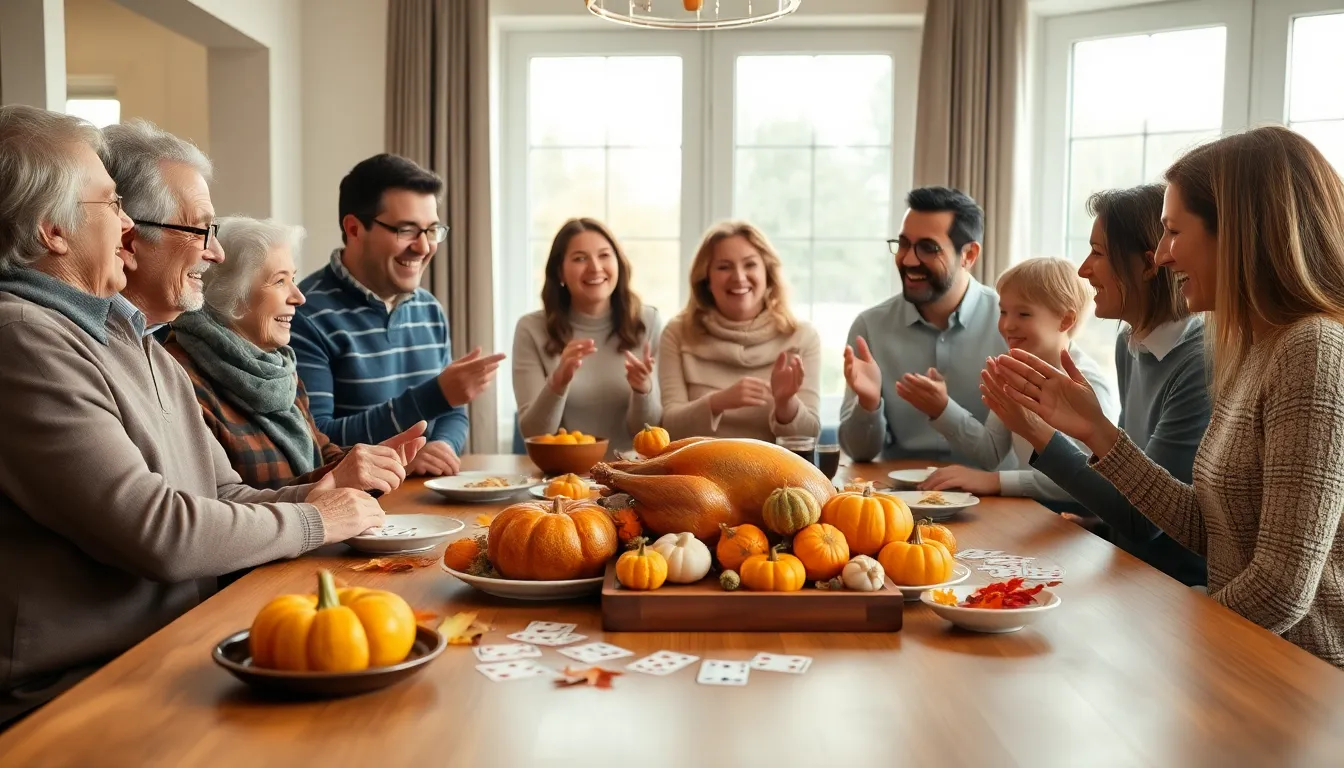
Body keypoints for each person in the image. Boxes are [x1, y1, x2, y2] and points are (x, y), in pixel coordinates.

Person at [0, 106, 383, 726]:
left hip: (170, 650)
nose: (125, 227)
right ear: (53, 230)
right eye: (111, 205)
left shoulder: (136, 338)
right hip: (76, 694)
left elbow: (221, 492)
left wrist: (318, 491)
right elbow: (158, 533)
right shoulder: (23, 339)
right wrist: (315, 519)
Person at [987, 126, 1344, 666]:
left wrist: (1161, 639)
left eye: (1174, 232)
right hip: (1239, 658)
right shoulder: (1248, 347)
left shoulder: (1313, 349)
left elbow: (1280, 588)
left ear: (1241, 233)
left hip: (1297, 678)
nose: (1164, 256)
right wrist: (1095, 432)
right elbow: (1208, 527)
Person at [984, 185, 1209, 587]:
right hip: (1127, 567)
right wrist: (1099, 525)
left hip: (1174, 589)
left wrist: (1036, 430)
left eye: (1098, 253)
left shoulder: (1197, 364)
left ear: (1147, 265)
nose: (1085, 269)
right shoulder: (1131, 343)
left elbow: (1147, 522)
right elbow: (1130, 483)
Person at [163, 216, 428, 490]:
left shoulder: (278, 367)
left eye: (294, 279)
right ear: (230, 293)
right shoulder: (179, 379)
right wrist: (336, 481)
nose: (299, 297)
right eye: (279, 281)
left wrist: (375, 461)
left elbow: (321, 453)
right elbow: (223, 506)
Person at [290, 154, 504, 476]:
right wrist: (402, 454)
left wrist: (443, 445)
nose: (423, 247)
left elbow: (451, 411)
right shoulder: (304, 313)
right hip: (355, 512)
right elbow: (316, 437)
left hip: (425, 504)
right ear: (354, 228)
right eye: (406, 230)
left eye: (432, 231)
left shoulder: (429, 309)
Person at [899, 258, 1119, 502]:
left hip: (1076, 529)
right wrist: (942, 408)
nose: (1007, 325)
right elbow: (991, 451)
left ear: (1066, 320)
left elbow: (1092, 482)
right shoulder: (1015, 371)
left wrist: (996, 481)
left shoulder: (1088, 386)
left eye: (1024, 314)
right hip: (1029, 513)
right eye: (1003, 311)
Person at [838, 187, 1008, 463]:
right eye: (903, 244)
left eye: (928, 248)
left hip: (991, 497)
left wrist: (944, 410)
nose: (908, 259)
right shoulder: (870, 327)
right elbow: (860, 453)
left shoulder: (1008, 324)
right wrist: (868, 405)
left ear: (969, 255)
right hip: (900, 498)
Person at [658, 221, 821, 442]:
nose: (739, 277)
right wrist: (718, 402)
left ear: (768, 273)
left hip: (775, 473)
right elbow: (669, 428)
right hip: (698, 472)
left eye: (750, 265)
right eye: (724, 267)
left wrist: (785, 403)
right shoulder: (678, 333)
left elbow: (809, 436)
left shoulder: (801, 336)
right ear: (706, 279)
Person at [512, 218, 661, 455]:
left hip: (632, 473)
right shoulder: (531, 329)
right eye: (580, 258)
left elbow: (650, 431)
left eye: (604, 255)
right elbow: (533, 434)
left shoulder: (647, 321)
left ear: (619, 264)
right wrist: (557, 382)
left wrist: (643, 390)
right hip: (563, 478)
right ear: (560, 271)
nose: (595, 267)